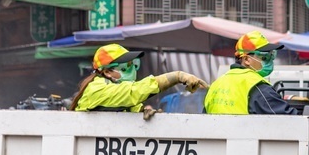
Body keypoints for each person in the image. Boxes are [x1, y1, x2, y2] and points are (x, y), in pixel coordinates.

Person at [204, 31, 309, 141]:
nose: (269, 61)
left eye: (272, 56)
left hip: (221, 154)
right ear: (246, 59)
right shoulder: (257, 86)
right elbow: (291, 122)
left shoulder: (216, 85)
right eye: (265, 56)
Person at [70, 44, 207, 115]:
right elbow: (132, 93)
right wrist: (176, 76)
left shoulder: (114, 88)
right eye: (125, 68)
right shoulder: (97, 88)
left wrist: (143, 112)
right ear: (107, 72)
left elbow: (129, 104)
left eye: (133, 65)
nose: (132, 71)